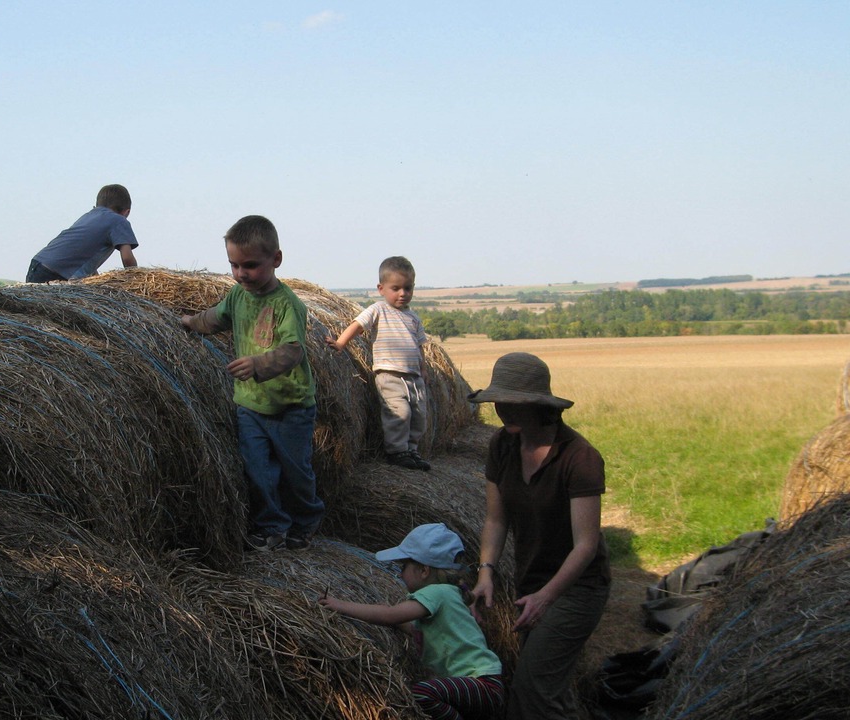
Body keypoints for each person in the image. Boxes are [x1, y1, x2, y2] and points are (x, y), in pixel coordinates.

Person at [468, 352, 610, 719]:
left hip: (577, 587)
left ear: (538, 404)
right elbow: (496, 520)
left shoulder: (579, 458)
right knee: (548, 689)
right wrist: (486, 572)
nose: (503, 410)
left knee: (532, 689)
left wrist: (546, 597)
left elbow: (586, 545)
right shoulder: (501, 446)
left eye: (514, 402)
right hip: (530, 582)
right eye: (499, 401)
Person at [180, 215, 324, 552]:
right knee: (258, 470)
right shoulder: (237, 296)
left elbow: (293, 351)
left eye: (250, 265)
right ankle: (272, 526)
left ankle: (305, 520)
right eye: (234, 265)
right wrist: (189, 321)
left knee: (296, 472)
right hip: (249, 405)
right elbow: (215, 318)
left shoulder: (287, 305)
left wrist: (258, 364)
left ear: (276, 259)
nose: (241, 273)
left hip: (290, 407)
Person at [319, 523, 505, 720]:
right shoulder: (447, 595)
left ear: (424, 570)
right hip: (478, 685)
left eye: (404, 566)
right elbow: (412, 628)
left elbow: (390, 615)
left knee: (421, 694)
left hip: (481, 683)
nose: (400, 574)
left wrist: (339, 605)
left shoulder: (436, 593)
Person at [327, 256, 431, 471]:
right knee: (399, 413)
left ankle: (412, 450)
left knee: (419, 416)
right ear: (381, 289)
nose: (403, 293)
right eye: (396, 288)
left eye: (408, 288)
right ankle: (396, 451)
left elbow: (419, 345)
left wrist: (423, 369)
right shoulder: (378, 309)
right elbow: (357, 325)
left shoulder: (413, 318)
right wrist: (340, 343)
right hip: (389, 374)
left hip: (414, 377)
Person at [26, 184, 138, 282]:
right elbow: (127, 259)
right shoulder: (119, 220)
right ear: (127, 212)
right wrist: (138, 280)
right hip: (55, 273)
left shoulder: (89, 216)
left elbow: (84, 255)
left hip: (38, 264)